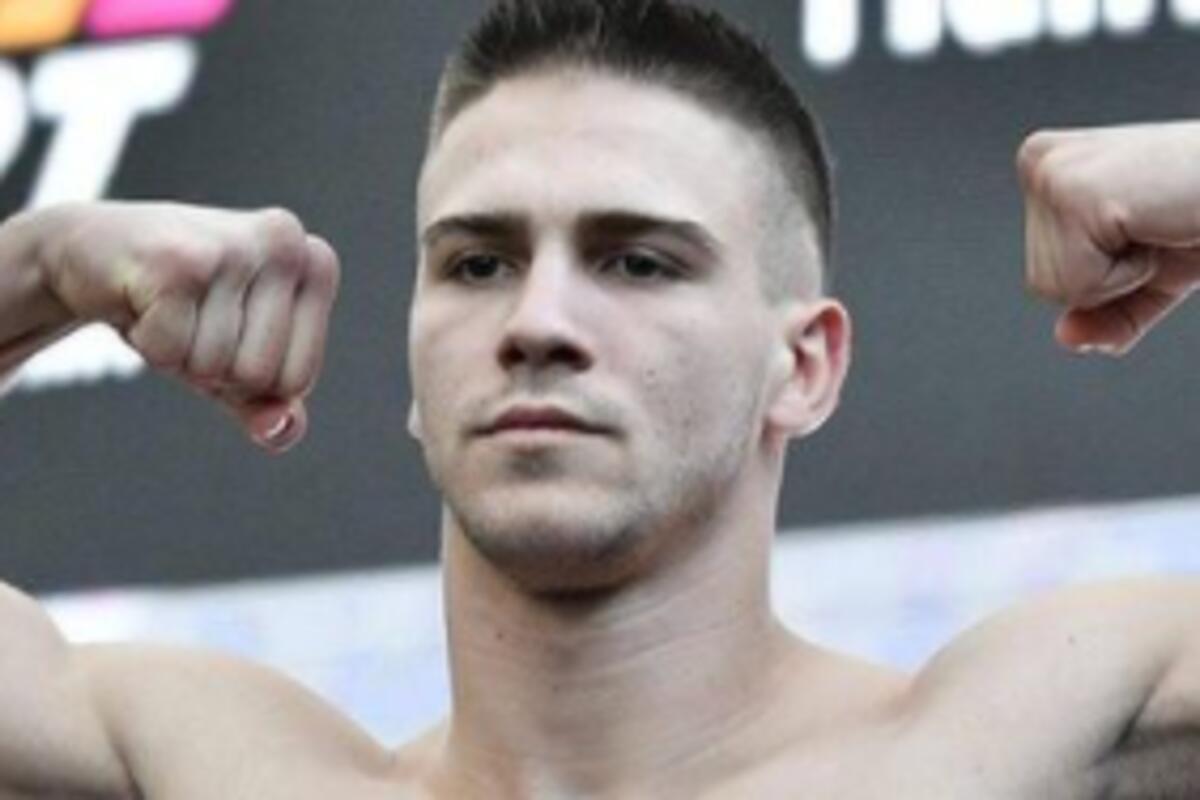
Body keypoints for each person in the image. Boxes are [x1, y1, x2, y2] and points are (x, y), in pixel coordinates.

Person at [1, 0, 1199, 796]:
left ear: (804, 365)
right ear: (413, 363)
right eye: (478, 264)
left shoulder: (1004, 743)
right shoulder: (235, 770)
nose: (536, 322)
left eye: (639, 262)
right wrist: (44, 261)